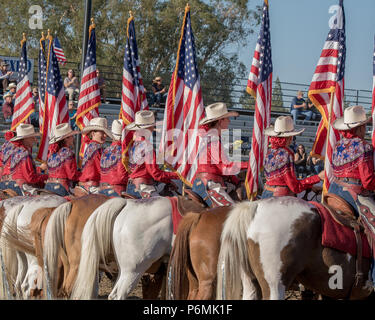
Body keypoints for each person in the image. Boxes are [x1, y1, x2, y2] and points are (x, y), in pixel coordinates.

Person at [191, 102, 248, 207]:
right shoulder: (214, 141)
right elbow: (225, 168)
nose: (229, 121)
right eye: (227, 119)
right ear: (220, 121)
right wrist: (248, 165)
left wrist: (237, 180)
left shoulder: (211, 138)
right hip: (210, 184)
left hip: (210, 182)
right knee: (232, 213)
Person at [261, 116, 324, 199]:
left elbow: (282, 180)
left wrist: (309, 186)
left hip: (266, 193)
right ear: (289, 138)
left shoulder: (269, 152)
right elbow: (295, 187)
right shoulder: (286, 154)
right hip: (281, 196)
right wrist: (318, 177)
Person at [125, 110, 179, 198]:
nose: (153, 129)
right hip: (144, 188)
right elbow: (155, 173)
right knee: (166, 208)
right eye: (152, 127)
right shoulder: (146, 145)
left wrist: (168, 180)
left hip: (132, 186)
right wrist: (177, 175)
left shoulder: (134, 144)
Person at [7, 124, 48, 195]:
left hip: (10, 184)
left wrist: (39, 169)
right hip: (23, 187)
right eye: (32, 138)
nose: (35, 140)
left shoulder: (13, 151)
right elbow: (30, 178)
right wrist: (47, 176)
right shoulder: (24, 153)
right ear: (25, 138)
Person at [78, 117, 114, 194]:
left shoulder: (90, 146)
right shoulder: (97, 148)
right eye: (102, 133)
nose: (105, 136)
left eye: (105, 133)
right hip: (93, 188)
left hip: (86, 185)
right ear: (93, 133)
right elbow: (102, 170)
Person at [45, 123, 80, 196]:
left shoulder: (52, 154)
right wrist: (83, 175)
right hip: (61, 188)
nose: (73, 138)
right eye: (71, 136)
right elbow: (72, 175)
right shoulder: (67, 152)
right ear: (66, 139)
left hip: (48, 186)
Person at [99, 119, 128, 197]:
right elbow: (121, 176)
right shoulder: (123, 152)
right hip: (117, 190)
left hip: (102, 189)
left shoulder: (105, 150)